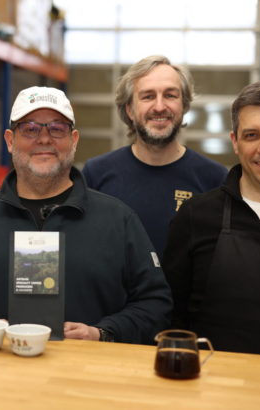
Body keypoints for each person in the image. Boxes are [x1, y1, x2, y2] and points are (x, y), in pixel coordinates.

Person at [0, 86, 172, 344]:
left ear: (74, 140)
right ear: (10, 141)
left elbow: (155, 304)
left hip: (85, 370)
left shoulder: (118, 220)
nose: (44, 139)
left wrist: (102, 333)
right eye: (30, 128)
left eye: (57, 128)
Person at [163, 80, 260, 359]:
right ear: (235, 142)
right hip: (213, 382)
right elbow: (171, 318)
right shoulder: (195, 216)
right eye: (251, 135)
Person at [82, 55, 228, 260]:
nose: (159, 107)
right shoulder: (96, 174)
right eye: (148, 96)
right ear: (130, 110)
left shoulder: (214, 178)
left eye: (170, 95)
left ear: (184, 106)